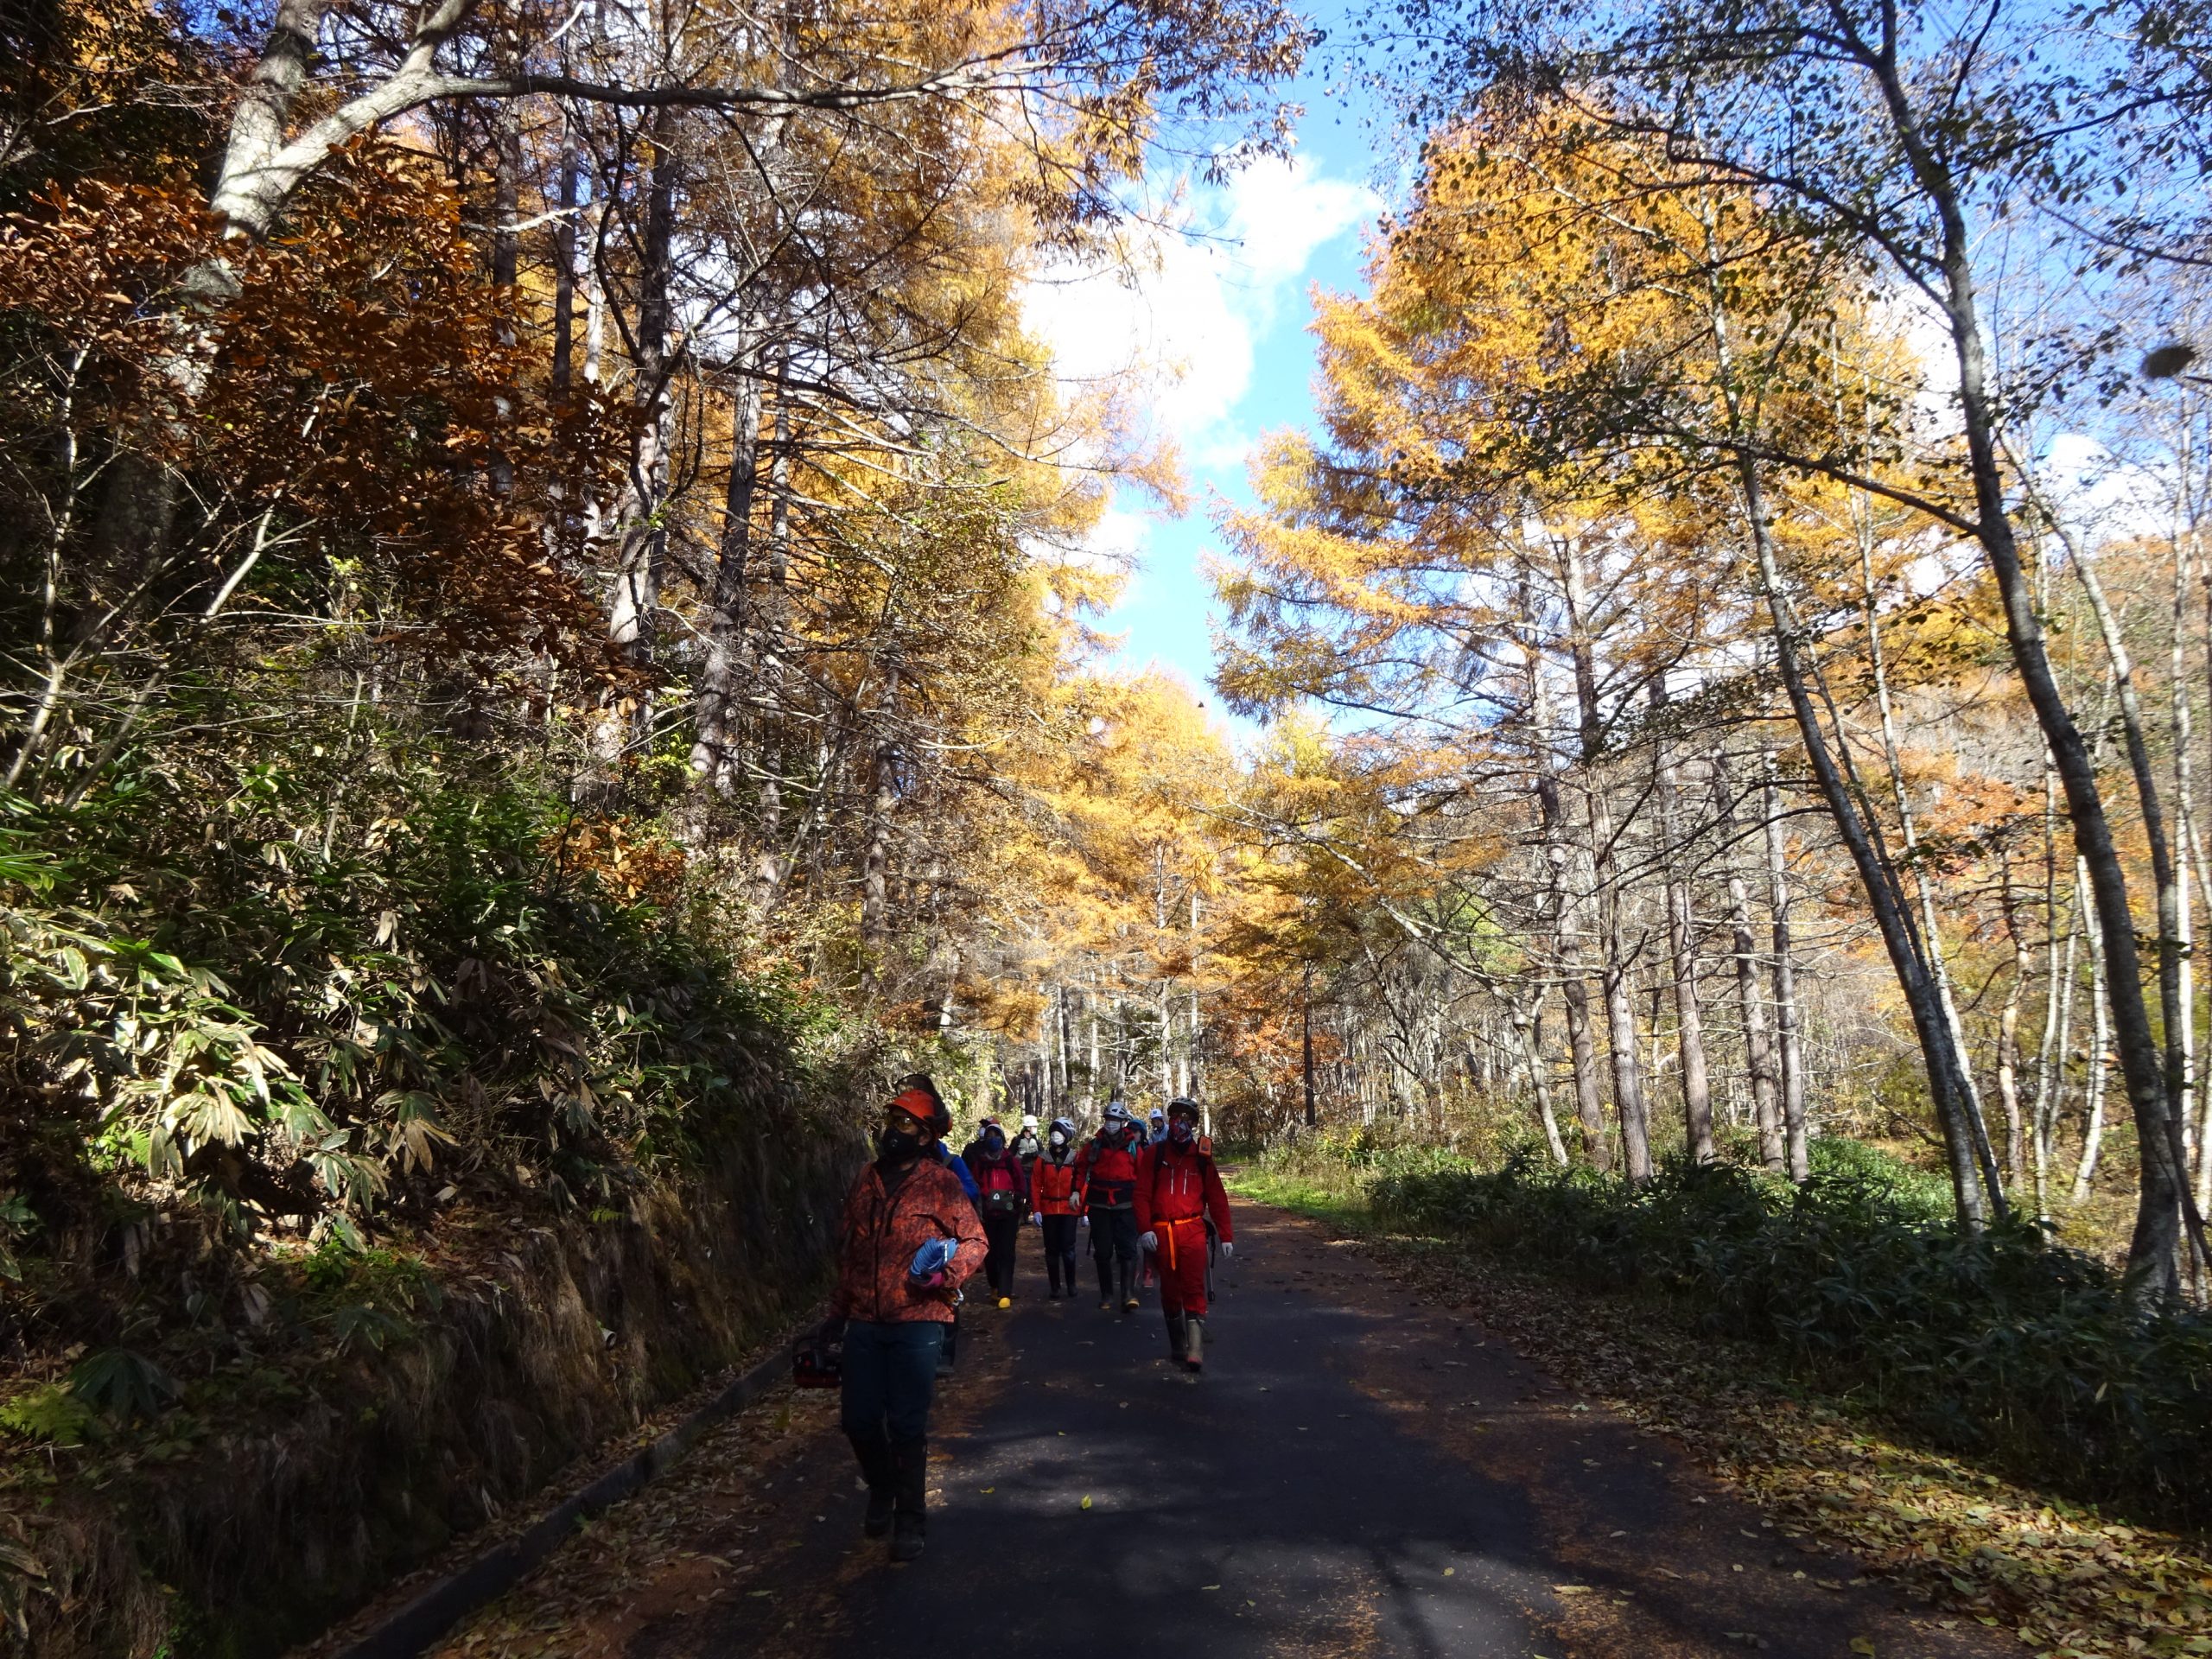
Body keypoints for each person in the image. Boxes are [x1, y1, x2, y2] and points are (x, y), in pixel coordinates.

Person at [823, 1074, 985, 1560]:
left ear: (927, 1136)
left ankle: (910, 1521)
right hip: (865, 1320)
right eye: (891, 1120)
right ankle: (882, 1488)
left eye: (906, 1124)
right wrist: (836, 1314)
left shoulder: (940, 1182)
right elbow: (851, 1251)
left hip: (919, 1319)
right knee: (858, 1421)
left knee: (907, 1425)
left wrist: (946, 1276)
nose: (893, 1130)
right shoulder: (866, 1179)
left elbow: (976, 1241)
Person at [1135, 1096, 1235, 1374]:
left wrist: (1225, 1235)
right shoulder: (1154, 1155)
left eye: (1186, 1118)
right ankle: (1177, 1343)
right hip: (1161, 1232)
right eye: (1176, 1117)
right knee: (1169, 1289)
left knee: (1193, 1286)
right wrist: (1144, 1229)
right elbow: (1141, 1195)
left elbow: (1217, 1197)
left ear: (1193, 1123)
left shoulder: (1202, 1157)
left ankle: (1195, 1348)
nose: (1180, 1123)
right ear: (1169, 1120)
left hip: (1192, 1230)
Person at [1076, 1101, 1148, 1313]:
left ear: (1123, 1122)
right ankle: (1106, 1294)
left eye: (1115, 1120)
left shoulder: (1133, 1147)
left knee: (1128, 1250)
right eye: (1108, 1119)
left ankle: (1128, 1294)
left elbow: (1144, 1176)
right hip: (1099, 1206)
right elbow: (1080, 1169)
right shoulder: (1094, 1145)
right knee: (1103, 1252)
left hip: (1126, 1206)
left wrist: (1147, 1203)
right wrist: (1075, 1191)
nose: (1111, 1123)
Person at [966, 1117, 1030, 1306]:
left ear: (1002, 1139)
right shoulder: (981, 1163)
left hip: (1009, 1214)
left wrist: (1018, 1200)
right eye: (989, 1136)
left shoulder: (1010, 1161)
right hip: (988, 1214)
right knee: (991, 1253)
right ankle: (994, 1287)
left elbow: (1021, 1184)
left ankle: (1005, 1292)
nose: (992, 1139)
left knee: (1007, 1252)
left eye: (996, 1136)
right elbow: (974, 1185)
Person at [1028, 1116, 1085, 1298]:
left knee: (1068, 1248)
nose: (1055, 1136)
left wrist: (1084, 1211)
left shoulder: (1075, 1157)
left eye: (1059, 1132)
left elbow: (1082, 1183)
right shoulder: (1042, 1159)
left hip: (1069, 1208)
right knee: (1051, 1249)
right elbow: (1035, 1184)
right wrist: (1036, 1210)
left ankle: (1071, 1284)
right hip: (1049, 1209)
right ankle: (1055, 1287)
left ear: (1067, 1135)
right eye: (1053, 1132)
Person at [1012, 1113, 1043, 1177]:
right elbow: (1011, 1155)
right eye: (1034, 1126)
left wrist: (1036, 1154)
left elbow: (1042, 1153)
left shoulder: (1037, 1139)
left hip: (1034, 1172)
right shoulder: (1018, 1139)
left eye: (1036, 1126)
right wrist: (1024, 1156)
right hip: (1021, 1172)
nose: (1036, 1128)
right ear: (1028, 1127)